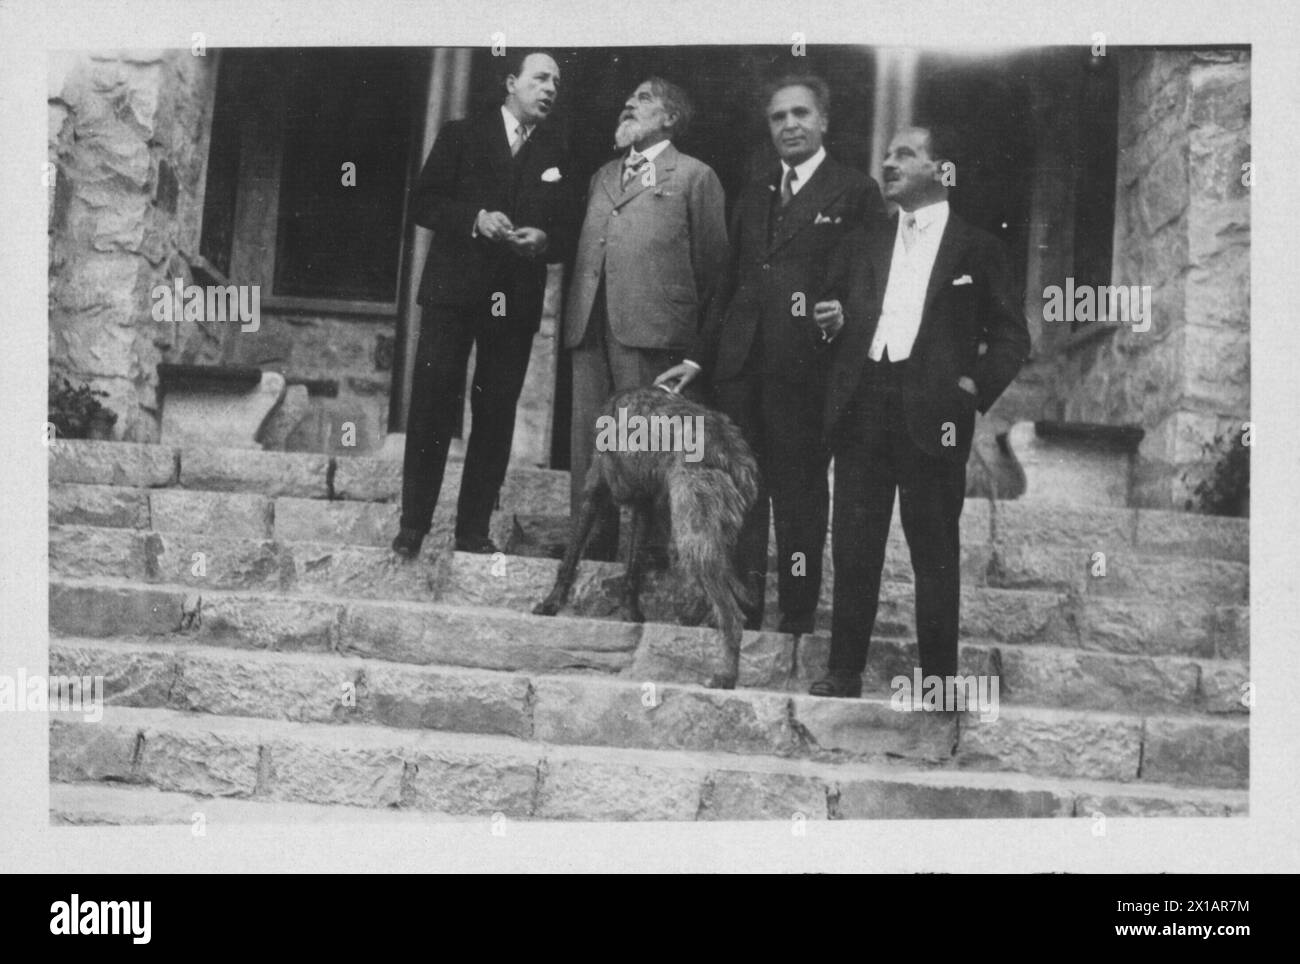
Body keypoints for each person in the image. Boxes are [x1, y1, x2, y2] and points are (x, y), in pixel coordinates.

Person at [655, 75, 883, 634]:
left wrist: (845, 317)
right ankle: (745, 612)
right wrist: (700, 360)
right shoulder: (755, 190)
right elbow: (729, 286)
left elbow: (874, 282)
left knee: (801, 497)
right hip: (740, 372)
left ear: (823, 121)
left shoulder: (855, 192)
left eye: (801, 114)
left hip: (808, 372)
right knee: (744, 496)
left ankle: (797, 618)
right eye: (779, 117)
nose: (790, 125)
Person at [809, 125, 1031, 698]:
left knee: (934, 550)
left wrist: (971, 388)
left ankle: (937, 679)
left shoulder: (977, 248)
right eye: (885, 154)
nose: (888, 163)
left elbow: (1011, 337)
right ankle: (843, 671)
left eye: (904, 154)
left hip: (936, 413)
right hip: (864, 401)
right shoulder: (863, 243)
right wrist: (831, 325)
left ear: (942, 169)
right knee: (855, 544)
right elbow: (828, 315)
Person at [393, 52, 570, 559]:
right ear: (511, 83)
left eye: (556, 81)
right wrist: (474, 217)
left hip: (513, 300)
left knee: (494, 414)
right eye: (540, 78)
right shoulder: (461, 133)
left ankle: (472, 531)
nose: (550, 88)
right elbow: (423, 203)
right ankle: (413, 524)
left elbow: (566, 227)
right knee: (431, 403)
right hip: (453, 292)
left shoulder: (558, 150)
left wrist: (545, 240)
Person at [564, 77, 729, 563]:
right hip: (591, 328)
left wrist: (695, 344)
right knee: (593, 445)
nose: (628, 104)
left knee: (644, 447)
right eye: (628, 97)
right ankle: (591, 549)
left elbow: (715, 271)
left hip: (654, 334)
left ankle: (647, 556)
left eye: (643, 99)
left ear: (671, 119)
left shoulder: (696, 177)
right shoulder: (602, 175)